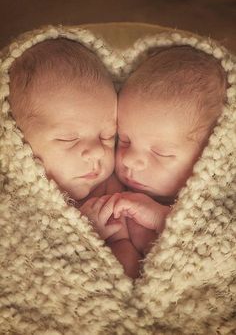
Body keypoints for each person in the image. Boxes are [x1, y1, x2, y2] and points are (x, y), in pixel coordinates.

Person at [8, 38, 147, 279]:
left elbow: (131, 257)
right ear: (17, 139)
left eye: (107, 136)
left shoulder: (111, 189)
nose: (97, 151)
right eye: (69, 138)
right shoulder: (15, 201)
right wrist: (80, 232)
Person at [85, 45, 227, 275]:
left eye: (161, 153)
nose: (130, 160)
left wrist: (164, 219)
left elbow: (217, 251)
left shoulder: (211, 208)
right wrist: (87, 229)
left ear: (209, 156)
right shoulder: (105, 186)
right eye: (124, 140)